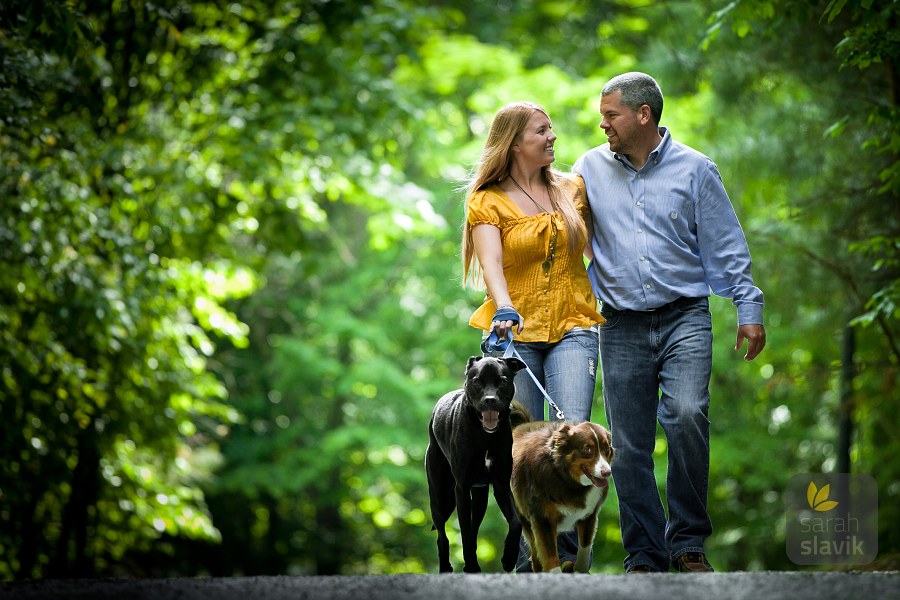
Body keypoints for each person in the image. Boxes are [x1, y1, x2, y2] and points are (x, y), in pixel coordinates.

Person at [573, 72, 767, 574]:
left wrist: (748, 308)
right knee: (628, 444)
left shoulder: (696, 169)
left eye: (611, 114)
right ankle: (645, 553)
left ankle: (687, 543)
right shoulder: (588, 169)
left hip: (685, 317)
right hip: (619, 325)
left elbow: (725, 243)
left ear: (643, 115)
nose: (603, 124)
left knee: (685, 415)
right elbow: (559, 232)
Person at [461, 101, 604, 571]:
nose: (552, 137)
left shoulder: (571, 190)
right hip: (516, 331)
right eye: (541, 131)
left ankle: (565, 562)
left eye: (551, 129)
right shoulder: (488, 200)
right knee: (522, 445)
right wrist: (503, 307)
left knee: (572, 432)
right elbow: (491, 264)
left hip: (574, 324)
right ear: (515, 142)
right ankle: (534, 562)